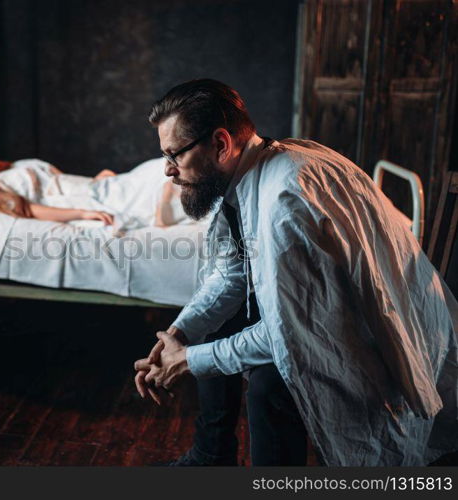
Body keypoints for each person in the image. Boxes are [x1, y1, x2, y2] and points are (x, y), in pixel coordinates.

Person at [133, 79, 458, 466]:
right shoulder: (261, 165)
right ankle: (211, 457)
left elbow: (290, 334)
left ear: (220, 144)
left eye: (174, 156)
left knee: (268, 388)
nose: (168, 171)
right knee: (214, 329)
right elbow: (231, 273)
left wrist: (190, 360)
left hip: (379, 340)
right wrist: (178, 335)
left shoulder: (285, 202)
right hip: (332, 317)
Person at [0, 140, 115, 224]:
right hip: (81, 205)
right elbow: (31, 209)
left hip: (94, 189)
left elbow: (62, 181)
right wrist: (82, 214)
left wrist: (95, 180)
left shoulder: (19, 165)